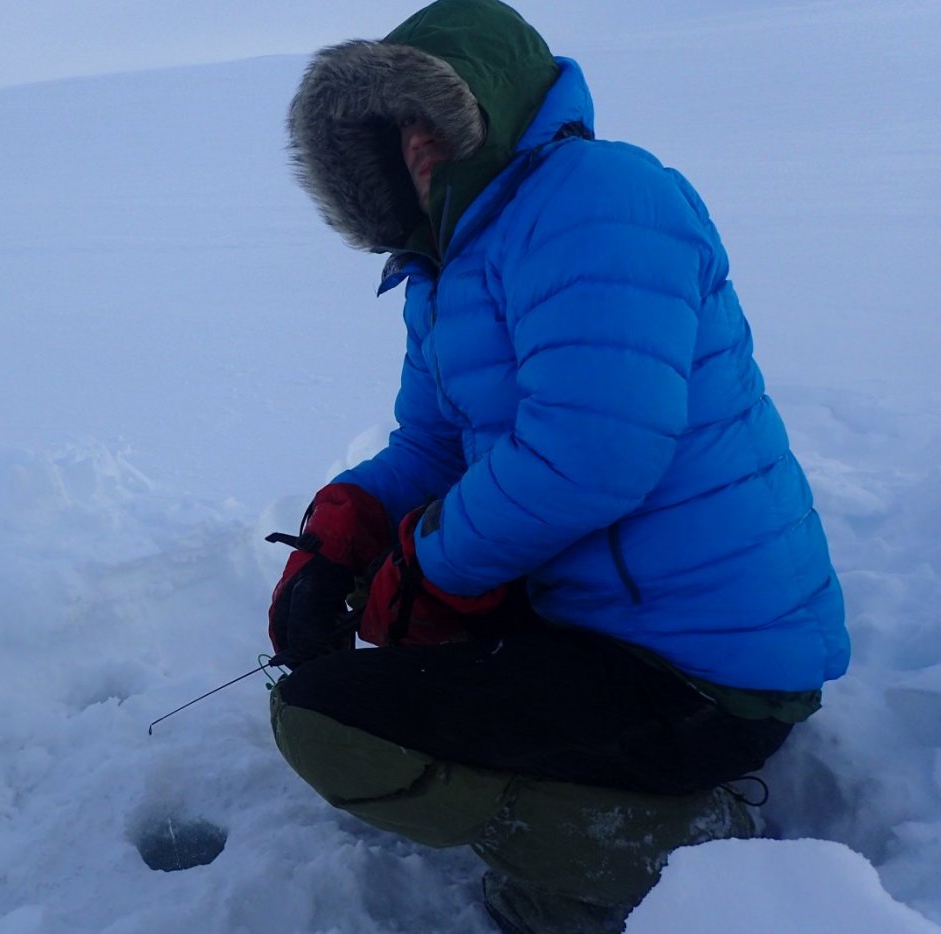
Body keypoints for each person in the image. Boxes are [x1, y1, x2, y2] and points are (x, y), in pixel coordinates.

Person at [265, 1, 850, 931]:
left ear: (489, 109)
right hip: (593, 627)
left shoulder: (598, 195)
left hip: (703, 666)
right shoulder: (445, 268)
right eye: (394, 128)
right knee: (359, 685)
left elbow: (598, 450)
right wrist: (344, 532)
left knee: (329, 725)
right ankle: (609, 808)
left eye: (432, 117)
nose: (416, 145)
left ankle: (662, 847)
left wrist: (429, 566)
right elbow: (433, 447)